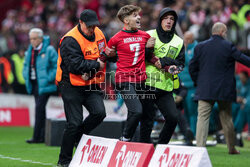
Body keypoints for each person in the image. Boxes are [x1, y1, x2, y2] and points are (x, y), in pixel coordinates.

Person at [189, 22, 250, 154]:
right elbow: (242, 59)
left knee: (202, 118)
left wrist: (198, 82)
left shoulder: (200, 46)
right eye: (226, 32)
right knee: (227, 119)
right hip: (224, 90)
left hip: (205, 88)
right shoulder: (228, 46)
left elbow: (192, 67)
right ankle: (231, 148)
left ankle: (200, 149)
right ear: (222, 31)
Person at [56, 9, 107, 166]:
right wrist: (96, 65)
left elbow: (105, 55)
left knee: (99, 113)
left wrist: (91, 71)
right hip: (70, 84)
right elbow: (74, 65)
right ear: (81, 23)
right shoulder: (70, 40)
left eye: (94, 26)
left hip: (90, 83)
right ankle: (64, 160)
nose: (92, 30)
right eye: (89, 26)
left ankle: (79, 137)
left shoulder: (99, 33)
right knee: (74, 123)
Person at [100, 5, 155, 142]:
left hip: (141, 80)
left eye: (138, 15)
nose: (139, 17)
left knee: (139, 113)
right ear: (126, 20)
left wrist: (163, 64)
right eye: (135, 15)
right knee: (137, 111)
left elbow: (150, 57)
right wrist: (91, 71)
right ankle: (125, 138)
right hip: (123, 80)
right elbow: (103, 57)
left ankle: (138, 142)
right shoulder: (116, 38)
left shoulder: (145, 36)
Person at [139, 7, 185, 144]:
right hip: (147, 84)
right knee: (147, 120)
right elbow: (140, 55)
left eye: (171, 19)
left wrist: (167, 62)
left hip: (165, 87)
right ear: (160, 20)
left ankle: (160, 147)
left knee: (173, 118)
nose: (168, 21)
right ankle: (143, 148)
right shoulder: (148, 34)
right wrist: (148, 49)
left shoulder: (179, 42)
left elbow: (181, 64)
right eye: (165, 18)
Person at [23, 28, 58, 143]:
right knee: (40, 109)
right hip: (34, 84)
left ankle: (36, 137)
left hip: (45, 85)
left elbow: (57, 65)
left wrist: (48, 78)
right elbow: (25, 66)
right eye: (31, 39)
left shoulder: (49, 50)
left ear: (41, 38)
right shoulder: (29, 51)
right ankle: (42, 136)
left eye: (34, 38)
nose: (32, 41)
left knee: (39, 108)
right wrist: (25, 75)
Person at [178, 31, 198, 136]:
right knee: (184, 111)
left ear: (191, 39)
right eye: (185, 39)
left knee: (192, 112)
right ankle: (187, 133)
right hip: (182, 87)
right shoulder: (182, 49)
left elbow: (191, 63)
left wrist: (185, 51)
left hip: (192, 86)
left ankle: (194, 133)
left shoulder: (196, 48)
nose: (185, 41)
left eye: (187, 39)